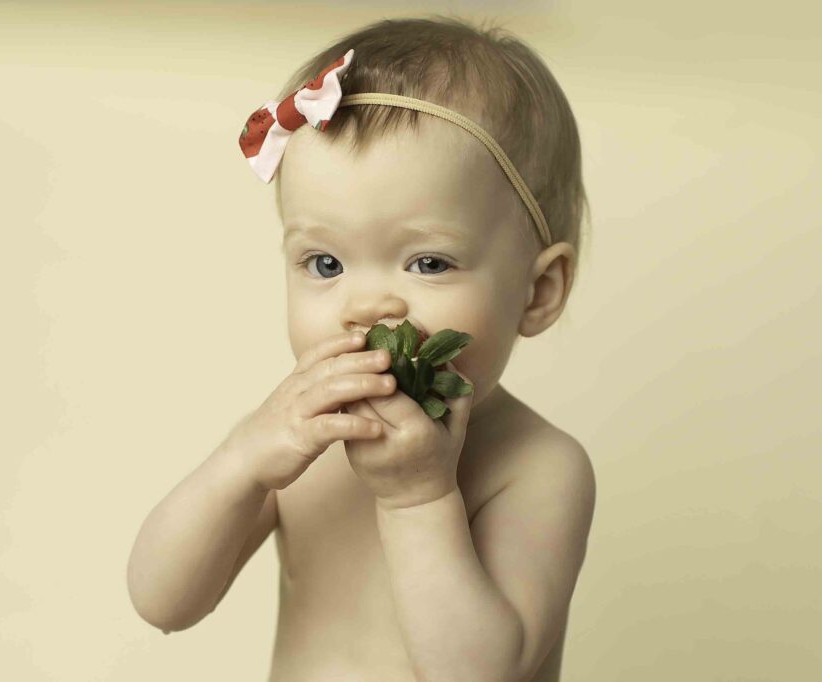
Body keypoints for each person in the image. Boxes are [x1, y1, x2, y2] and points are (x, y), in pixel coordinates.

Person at [127, 14, 596, 682]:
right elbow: (161, 601)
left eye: (429, 263)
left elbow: (482, 671)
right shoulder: (294, 445)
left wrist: (419, 500)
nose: (367, 306)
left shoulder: (539, 467)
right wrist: (241, 462)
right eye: (324, 264)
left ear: (538, 290)